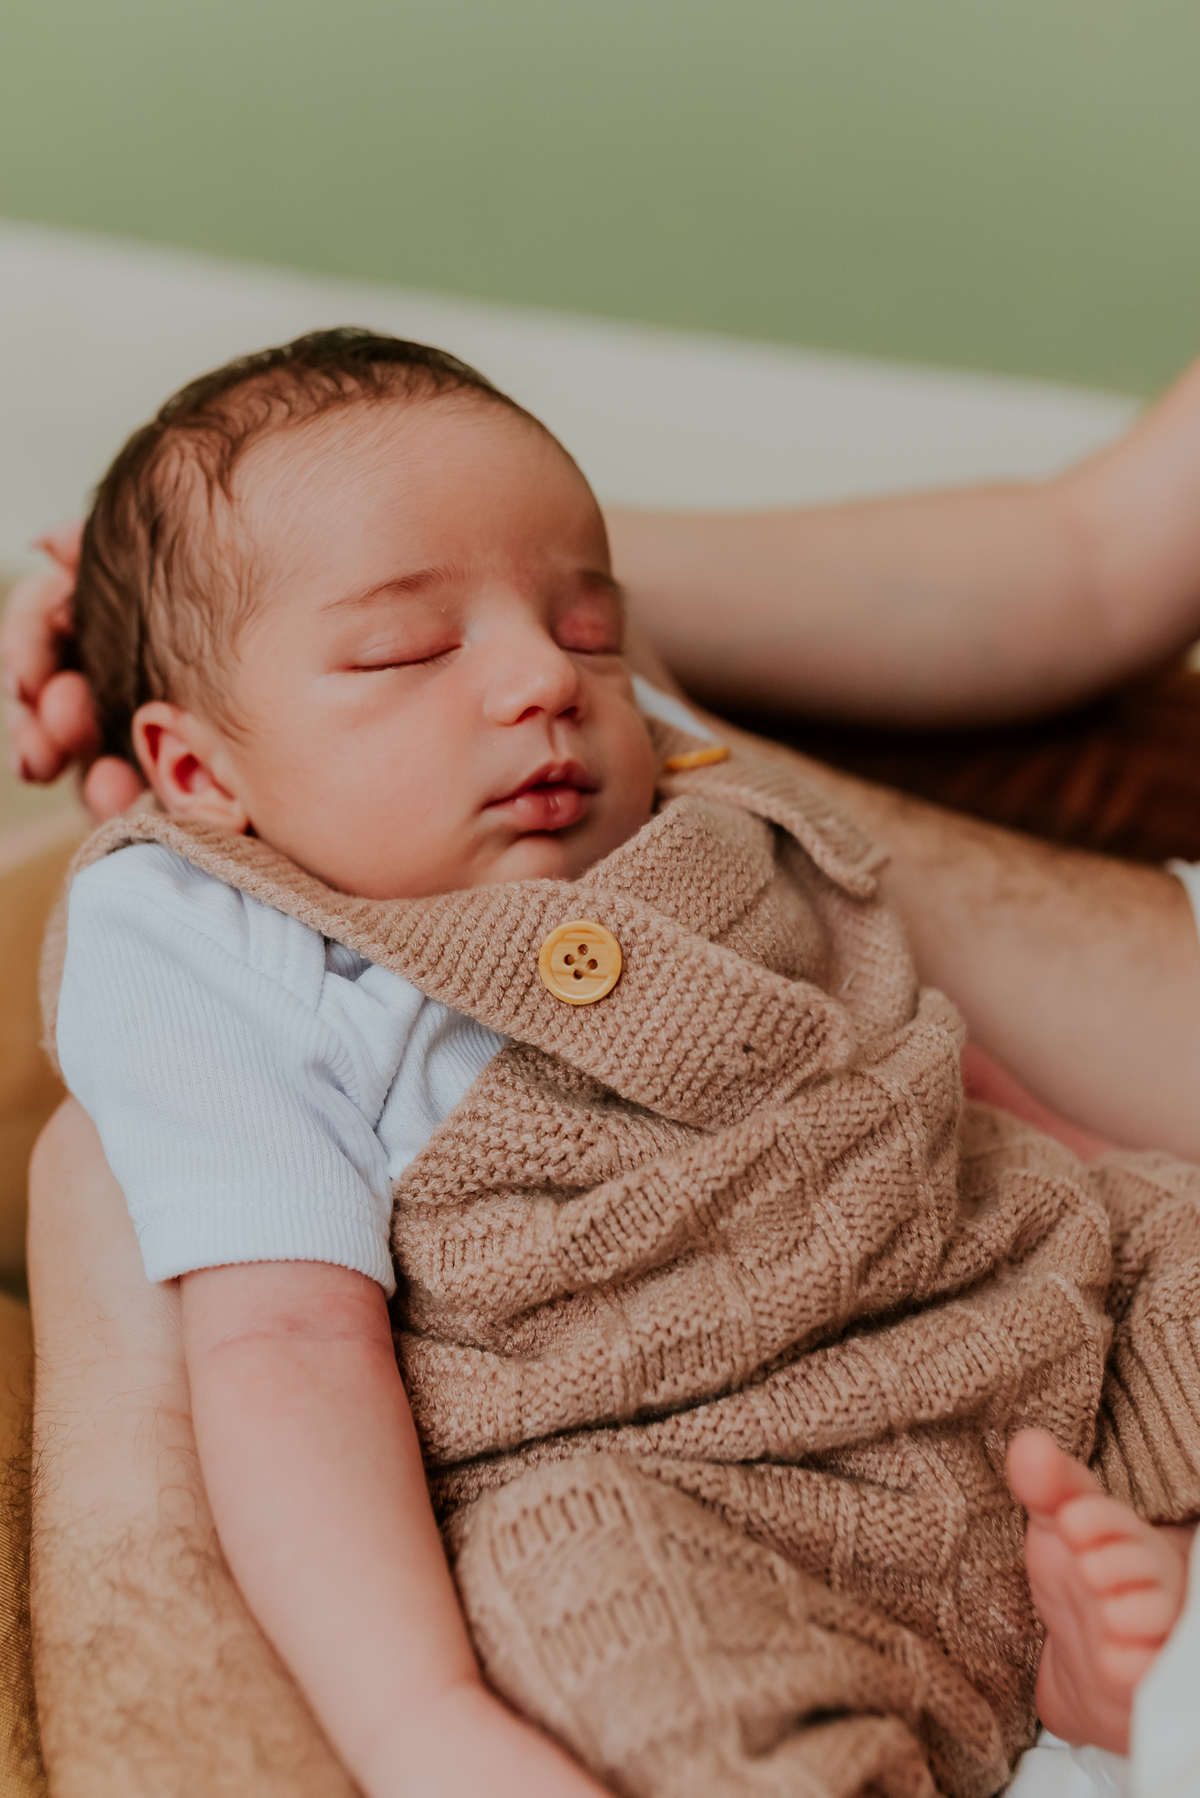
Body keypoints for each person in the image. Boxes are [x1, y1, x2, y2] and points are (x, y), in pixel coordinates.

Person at [13, 328, 1200, 1797]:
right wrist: (426, 1719)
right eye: (406, 646)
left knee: (1175, 1250)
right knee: (572, 1589)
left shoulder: (693, 808)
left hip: (1000, 1325)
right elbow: (288, 1345)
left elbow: (918, 1042)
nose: (548, 680)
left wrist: (1110, 1185)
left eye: (591, 632)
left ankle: (1104, 1665)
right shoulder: (222, 953)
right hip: (685, 1491)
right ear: (198, 775)